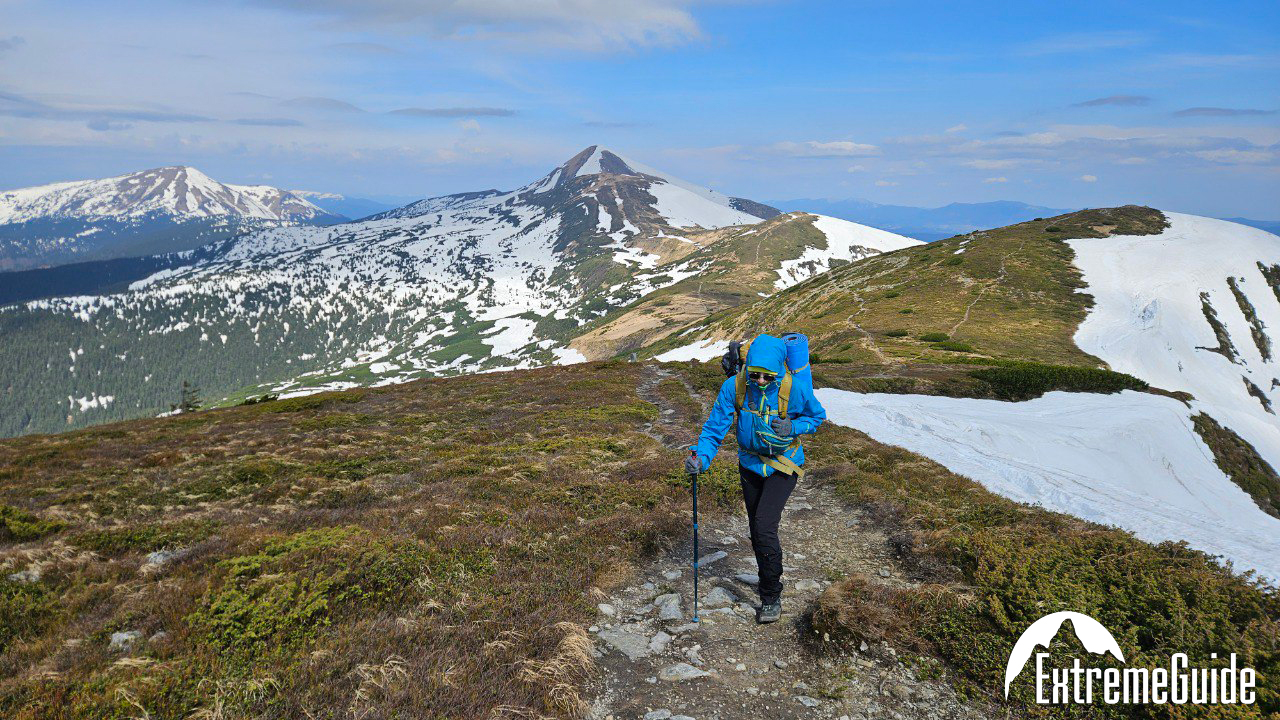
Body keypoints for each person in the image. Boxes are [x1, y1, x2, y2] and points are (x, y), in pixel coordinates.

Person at [684, 333, 826, 623]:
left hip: (784, 466)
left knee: (763, 526)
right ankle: (766, 576)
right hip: (749, 464)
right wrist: (702, 458)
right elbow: (714, 429)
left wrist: (794, 427)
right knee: (756, 528)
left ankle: (771, 596)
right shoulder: (734, 386)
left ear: (779, 371)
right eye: (755, 375)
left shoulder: (794, 388)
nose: (760, 381)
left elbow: (817, 417)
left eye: (767, 376)